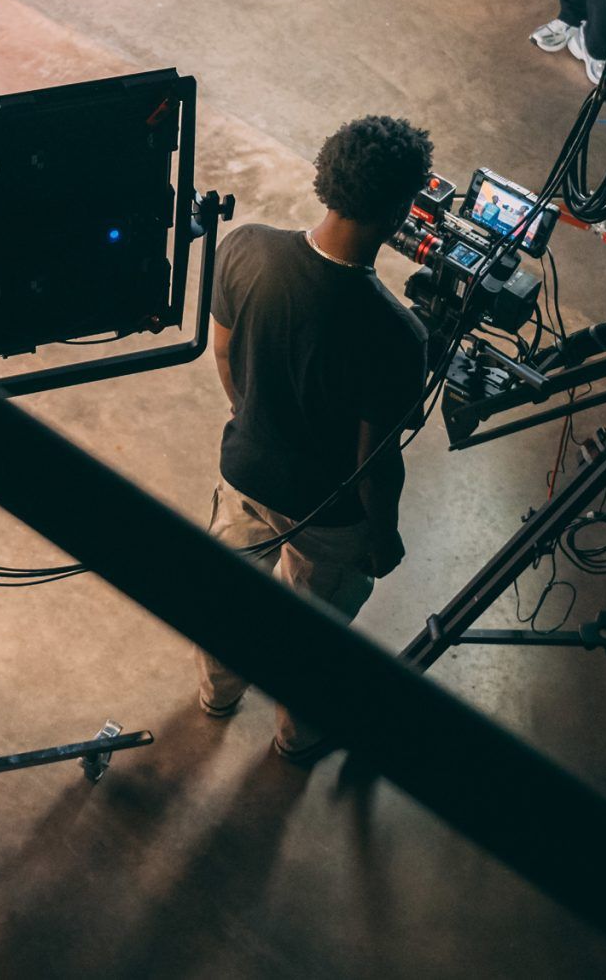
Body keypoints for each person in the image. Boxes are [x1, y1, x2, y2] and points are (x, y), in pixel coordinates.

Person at [196, 115, 433, 763]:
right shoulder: (396, 335)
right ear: (399, 212)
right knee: (313, 634)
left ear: (326, 178)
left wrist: (257, 420)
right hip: (331, 515)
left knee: (230, 601)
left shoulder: (244, 249)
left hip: (244, 471)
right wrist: (383, 537)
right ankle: (297, 740)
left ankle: (218, 695)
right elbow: (373, 461)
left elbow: (223, 354)